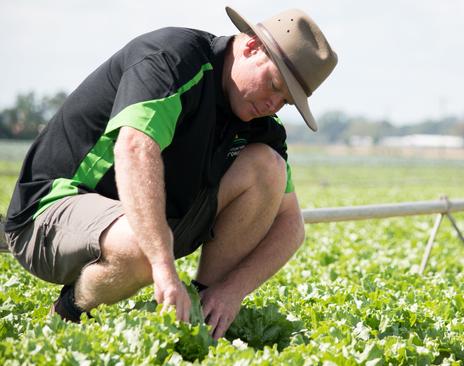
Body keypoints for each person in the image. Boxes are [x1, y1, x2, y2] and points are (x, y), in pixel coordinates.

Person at [3, 6, 337, 339]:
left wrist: (231, 291)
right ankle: (68, 313)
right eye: (275, 85)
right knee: (144, 246)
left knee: (269, 167)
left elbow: (291, 225)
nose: (273, 104)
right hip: (49, 211)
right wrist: (162, 266)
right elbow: (134, 149)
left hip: (140, 224)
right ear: (251, 47)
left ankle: (202, 315)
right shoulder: (173, 59)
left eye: (285, 101)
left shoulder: (260, 124)